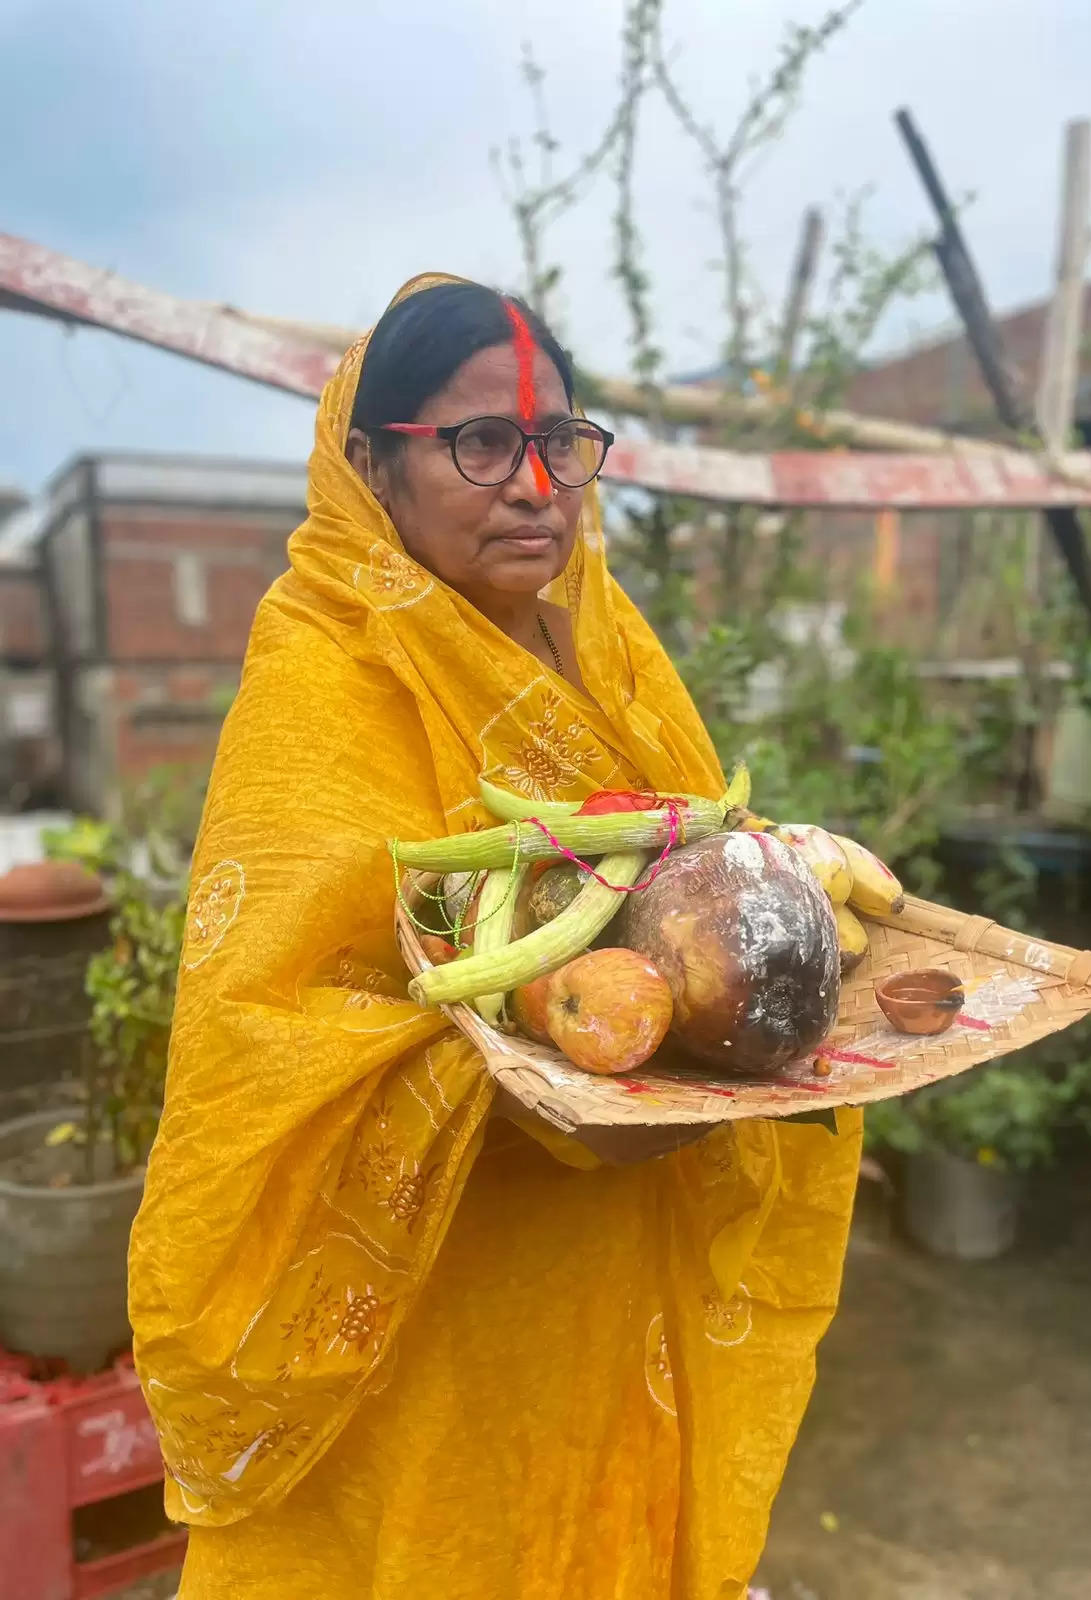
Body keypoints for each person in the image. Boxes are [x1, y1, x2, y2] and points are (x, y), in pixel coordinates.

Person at [129, 273, 862, 1599]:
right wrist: (510, 1069)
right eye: (481, 444)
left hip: (612, 1267)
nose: (536, 484)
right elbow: (269, 1029)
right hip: (440, 1296)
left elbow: (699, 866)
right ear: (370, 464)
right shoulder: (324, 681)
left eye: (561, 443)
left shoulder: (606, 650)